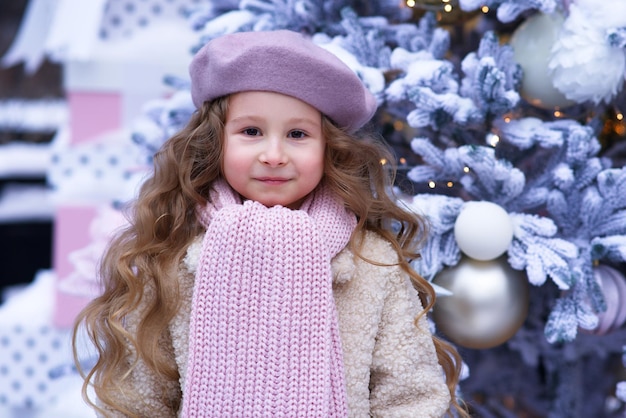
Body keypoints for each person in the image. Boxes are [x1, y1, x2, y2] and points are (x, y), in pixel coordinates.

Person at [74, 29, 469, 417]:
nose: (274, 154)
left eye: (297, 134)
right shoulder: (174, 257)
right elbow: (139, 399)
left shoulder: (371, 262)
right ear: (216, 141)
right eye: (251, 131)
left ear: (329, 148)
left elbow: (412, 396)